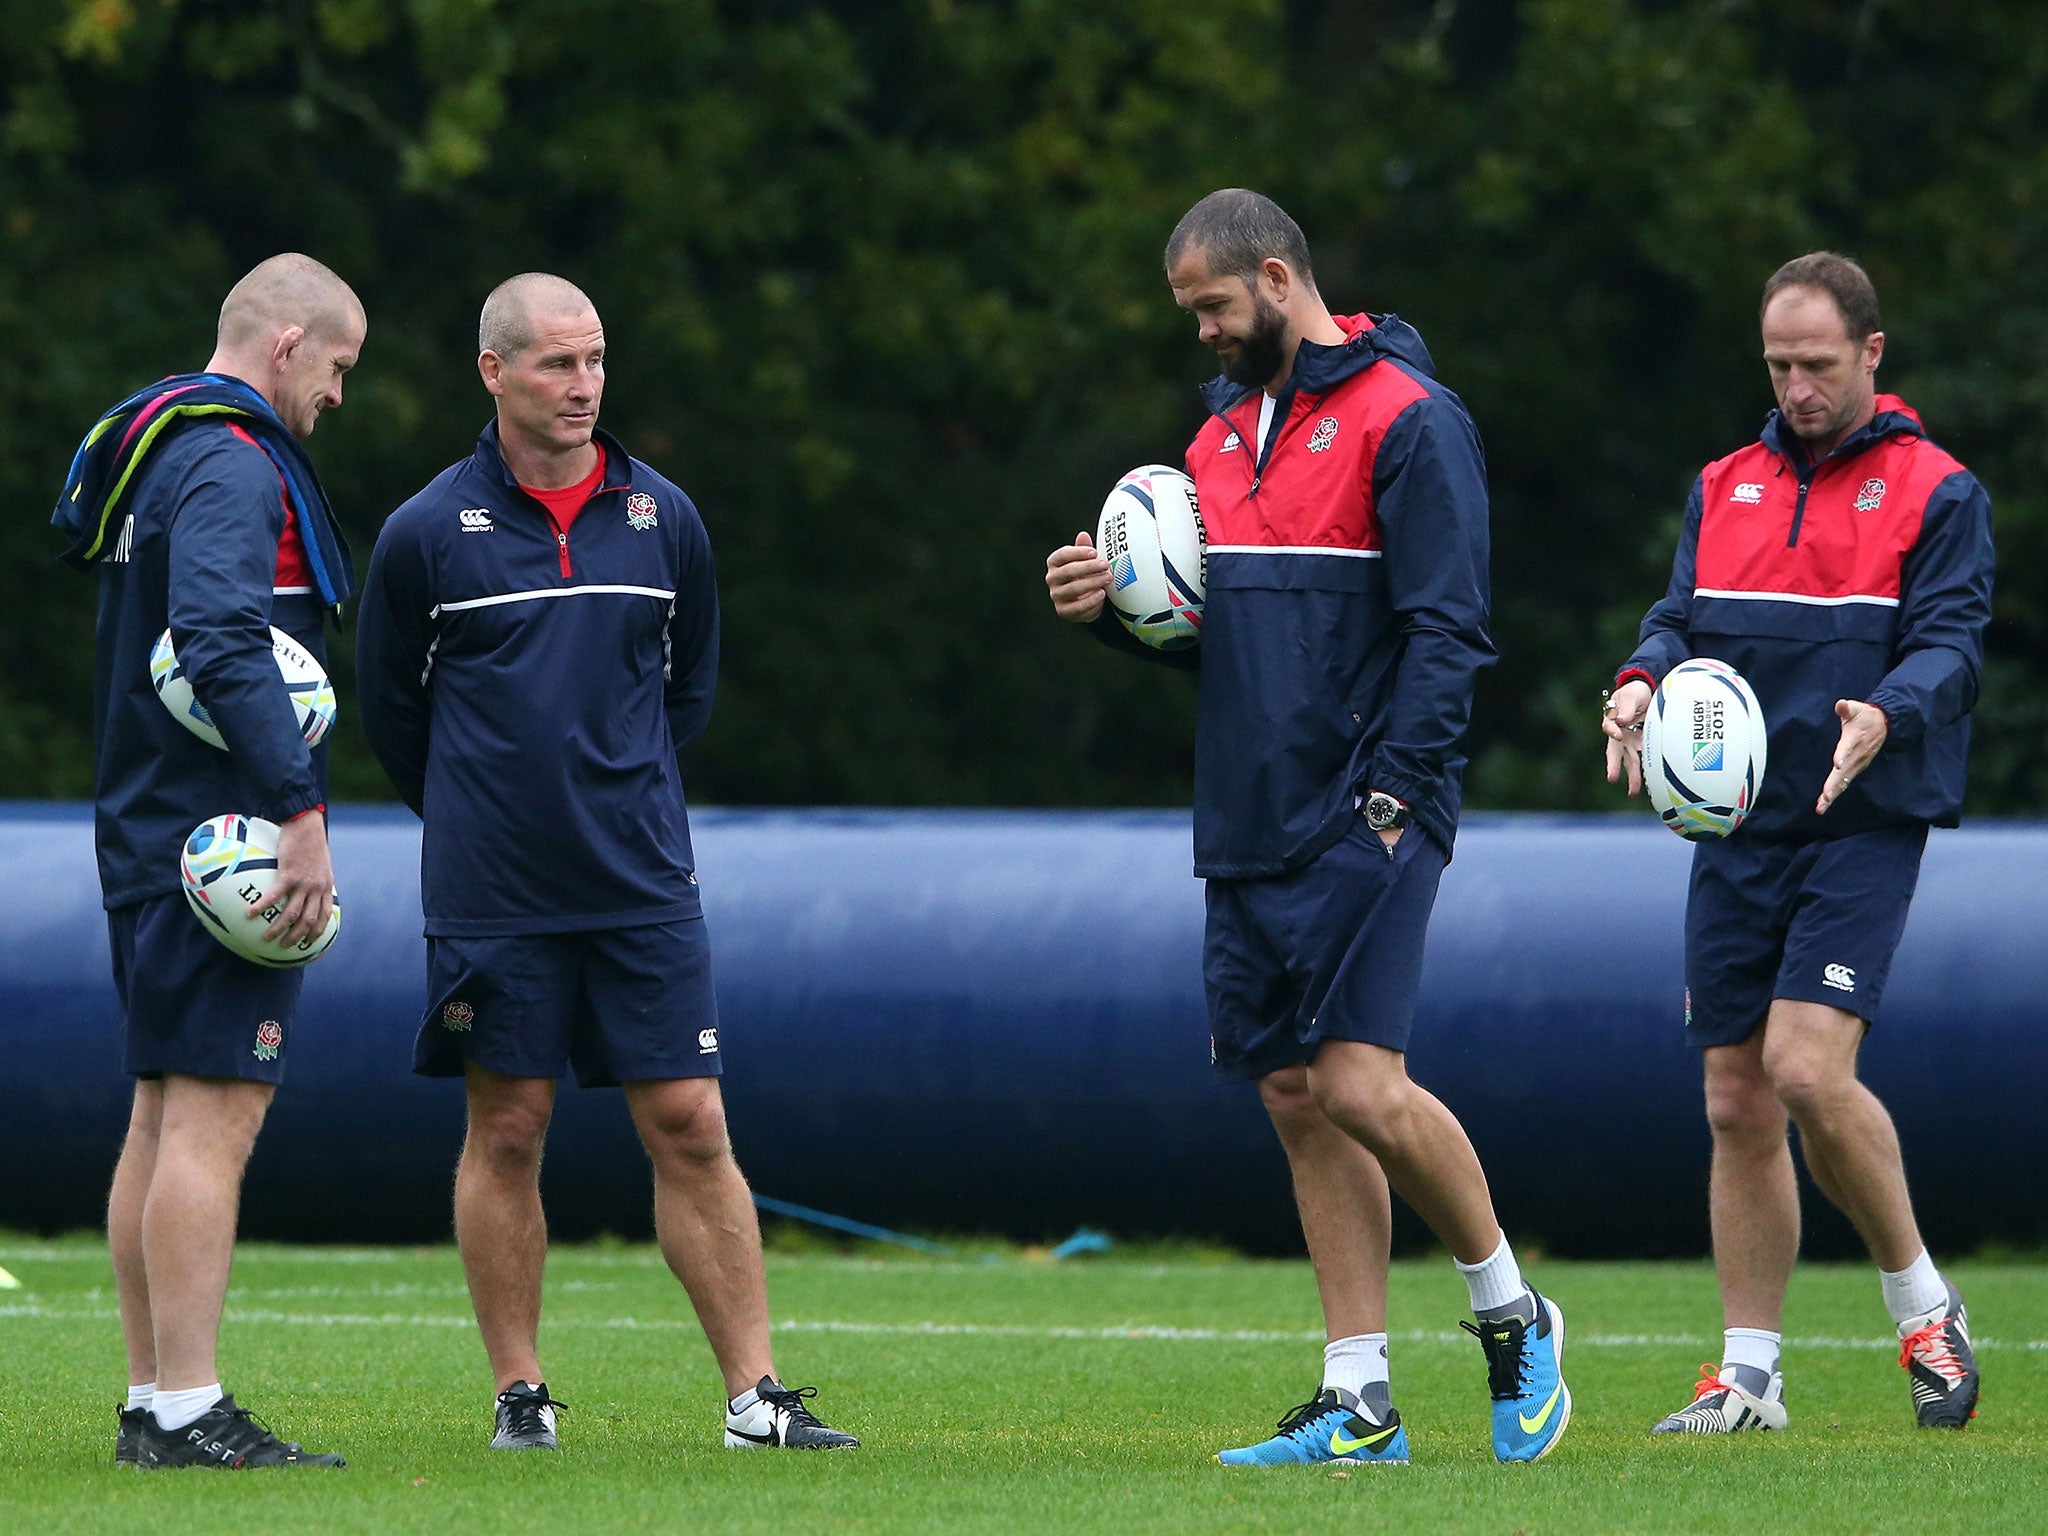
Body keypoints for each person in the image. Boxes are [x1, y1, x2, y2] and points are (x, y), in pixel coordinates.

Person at [1045, 190, 1569, 1467]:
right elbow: (1229, 651)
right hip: (1246, 812)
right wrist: (1114, 612)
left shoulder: (1411, 420)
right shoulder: (1216, 438)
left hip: (1368, 811)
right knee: (1290, 1092)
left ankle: (1512, 1310)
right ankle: (1360, 1403)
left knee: (1354, 1082)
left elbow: (1449, 631)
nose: (1204, 336)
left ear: (1276, 280)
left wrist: (1391, 797)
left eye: (1213, 309)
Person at [354, 273, 856, 1454]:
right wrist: (490, 818)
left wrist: (612, 800)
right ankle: (519, 1398)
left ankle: (754, 1400)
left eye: (593, 362)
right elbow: (392, 715)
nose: (581, 387)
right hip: (493, 891)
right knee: (512, 1124)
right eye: (553, 365)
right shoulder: (426, 532)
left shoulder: (663, 518)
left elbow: (684, 694)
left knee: (690, 1121)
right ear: (493, 372)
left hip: (642, 882)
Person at [1603, 252, 1992, 1434]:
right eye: (1777, 365)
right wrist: (1636, 684)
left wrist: (1889, 710)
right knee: (1733, 1098)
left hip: (1858, 817)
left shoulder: (1937, 491)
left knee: (1807, 1069)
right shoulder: (1721, 483)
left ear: (1870, 353)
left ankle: (1923, 1309)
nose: (1796, 388)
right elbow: (1676, 621)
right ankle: (1747, 1378)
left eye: (1816, 365)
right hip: (1734, 825)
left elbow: (1954, 648)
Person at [52, 254, 365, 1469]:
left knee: (160, 1115)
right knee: (213, 1121)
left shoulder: (160, 448)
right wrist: (300, 810)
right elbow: (222, 638)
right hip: (217, 842)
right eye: (337, 367)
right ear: (286, 344)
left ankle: (150, 1401)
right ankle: (187, 1406)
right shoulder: (234, 463)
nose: (338, 395)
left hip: (145, 827)